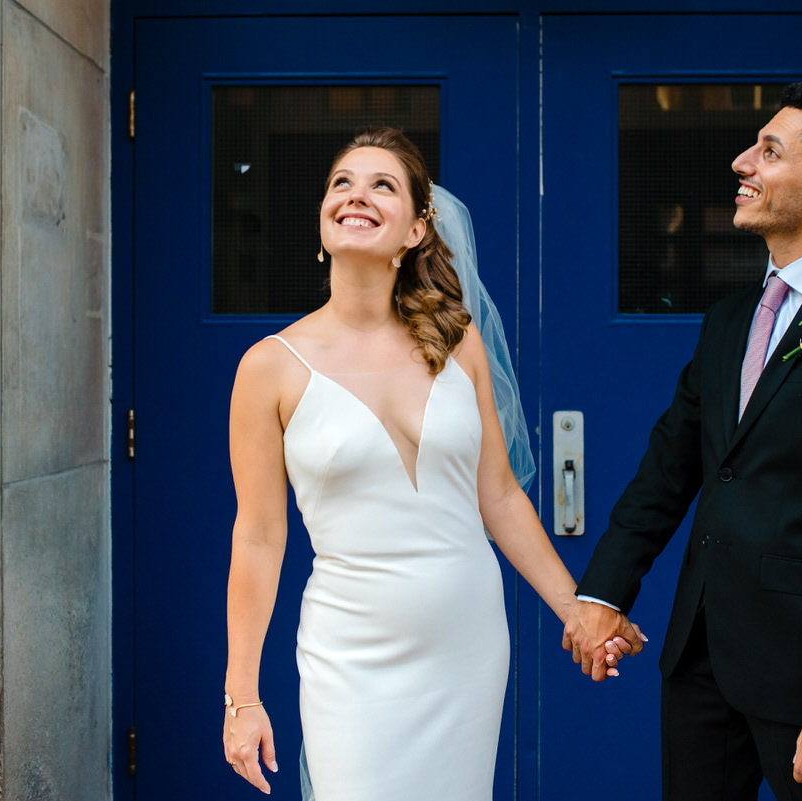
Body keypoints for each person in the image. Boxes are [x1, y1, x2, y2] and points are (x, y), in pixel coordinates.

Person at [221, 127, 642, 800]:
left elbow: (499, 496)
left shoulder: (458, 343)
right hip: (349, 648)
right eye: (342, 183)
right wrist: (241, 695)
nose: (357, 194)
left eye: (382, 184)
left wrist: (577, 610)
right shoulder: (269, 367)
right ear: (323, 220)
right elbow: (260, 537)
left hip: (467, 641)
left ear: (416, 229)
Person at [563, 82, 802, 799]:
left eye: (769, 151)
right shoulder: (727, 320)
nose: (742, 163)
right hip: (698, 656)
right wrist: (603, 590)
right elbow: (667, 470)